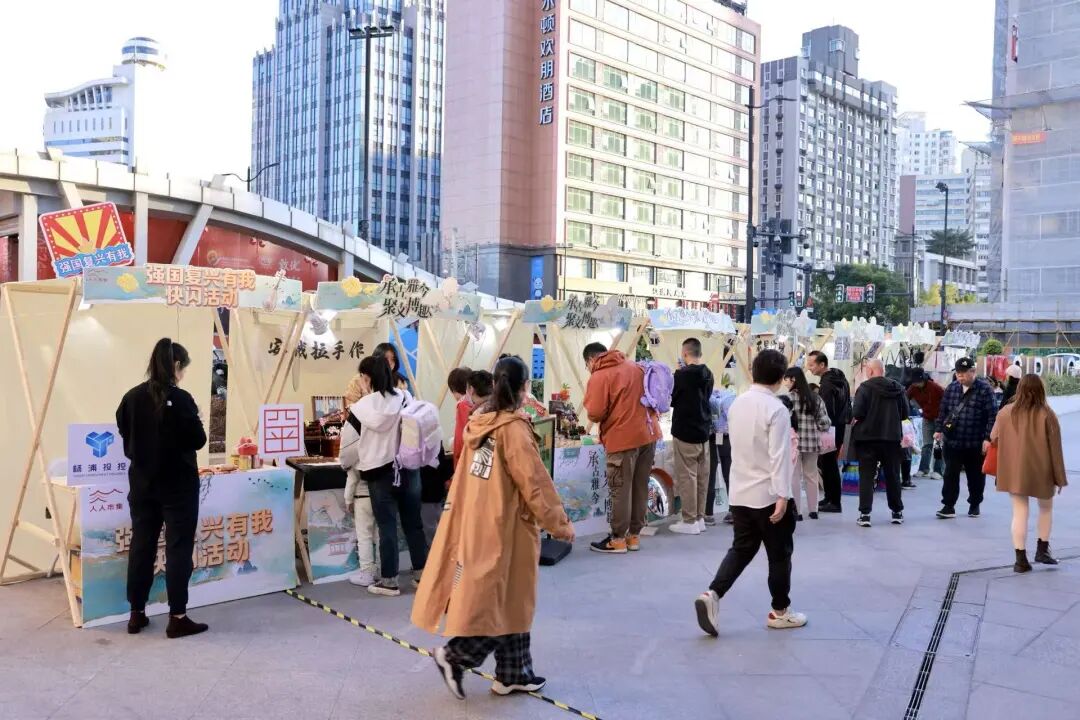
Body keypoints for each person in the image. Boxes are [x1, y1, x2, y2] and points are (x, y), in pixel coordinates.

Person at [414, 356, 574, 700]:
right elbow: (534, 483)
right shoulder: (512, 429)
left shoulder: (480, 424)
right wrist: (559, 524)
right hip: (507, 527)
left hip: (481, 520)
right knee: (498, 603)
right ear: (523, 387)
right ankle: (455, 656)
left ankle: (514, 673)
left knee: (512, 600)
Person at [694, 349, 805, 637]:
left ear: (753, 372)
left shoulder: (737, 404)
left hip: (740, 493)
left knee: (742, 549)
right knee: (779, 555)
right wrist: (783, 495)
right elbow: (779, 456)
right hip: (768, 495)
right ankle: (780, 611)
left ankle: (712, 594)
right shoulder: (776, 409)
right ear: (780, 378)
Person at [115, 338, 208, 638]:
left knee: (141, 545)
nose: (183, 374)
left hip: (142, 484)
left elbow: (124, 430)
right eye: (183, 368)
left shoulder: (131, 397)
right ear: (176, 365)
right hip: (178, 485)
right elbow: (198, 440)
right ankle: (177, 617)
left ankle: (136, 614)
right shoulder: (182, 400)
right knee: (178, 547)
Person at [351, 355, 428, 596]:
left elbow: (351, 441)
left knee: (386, 527)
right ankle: (421, 575)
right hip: (408, 468)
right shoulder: (405, 397)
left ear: (367, 378)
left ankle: (390, 581)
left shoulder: (362, 406)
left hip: (379, 471)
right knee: (413, 524)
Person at [583, 342, 662, 554]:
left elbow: (595, 413)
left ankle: (617, 538)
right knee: (640, 486)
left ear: (590, 360)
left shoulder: (600, 375)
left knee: (620, 489)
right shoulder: (636, 367)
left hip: (622, 438)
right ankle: (633, 536)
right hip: (649, 434)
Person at [989, 374, 1068, 572]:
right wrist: (1060, 478)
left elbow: (993, 437)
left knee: (1019, 512)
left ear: (1019, 389)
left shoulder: (1005, 412)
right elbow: (1056, 449)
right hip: (1042, 471)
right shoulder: (1047, 414)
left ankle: (1020, 560)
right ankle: (1042, 550)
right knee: (1045, 508)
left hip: (1015, 471)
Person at [934, 357, 998, 519]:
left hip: (975, 442)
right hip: (953, 441)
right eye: (958, 373)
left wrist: (987, 438)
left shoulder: (985, 389)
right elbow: (943, 411)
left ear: (973, 371)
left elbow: (992, 416)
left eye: (964, 373)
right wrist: (939, 429)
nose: (960, 376)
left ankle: (974, 504)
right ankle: (948, 505)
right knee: (950, 474)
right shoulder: (952, 388)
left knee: (975, 476)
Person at [850, 359, 908, 527]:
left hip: (867, 439)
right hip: (892, 438)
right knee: (893, 475)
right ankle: (897, 512)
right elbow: (905, 414)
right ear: (883, 370)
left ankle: (865, 515)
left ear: (870, 371)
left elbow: (857, 413)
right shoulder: (898, 389)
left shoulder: (864, 388)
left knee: (867, 477)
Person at [669, 338, 715, 535]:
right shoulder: (709, 374)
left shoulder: (680, 375)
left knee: (687, 477)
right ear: (699, 353)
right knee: (702, 477)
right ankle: (699, 518)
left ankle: (689, 520)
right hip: (704, 431)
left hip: (685, 430)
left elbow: (672, 399)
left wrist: (677, 373)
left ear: (685, 353)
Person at [340, 370, 379, 587]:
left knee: (364, 536)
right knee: (380, 534)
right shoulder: (382, 425)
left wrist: (347, 499)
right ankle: (383, 570)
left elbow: (351, 472)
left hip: (362, 496)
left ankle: (367, 572)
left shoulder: (355, 428)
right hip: (381, 490)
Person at [781, 367, 832, 521]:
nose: (784, 382)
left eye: (786, 379)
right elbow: (825, 423)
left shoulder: (787, 399)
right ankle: (813, 510)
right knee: (811, 476)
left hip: (793, 443)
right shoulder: (816, 398)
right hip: (812, 442)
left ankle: (797, 512)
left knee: (794, 477)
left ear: (793, 380)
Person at [806, 351, 851, 513]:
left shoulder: (827, 384)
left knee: (828, 464)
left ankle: (834, 502)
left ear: (822, 364)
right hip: (839, 426)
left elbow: (826, 410)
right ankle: (830, 498)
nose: (809, 368)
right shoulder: (840, 378)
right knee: (828, 463)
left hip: (830, 429)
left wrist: (820, 425)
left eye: (812, 364)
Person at [706, 384, 736, 525]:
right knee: (729, 474)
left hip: (711, 437)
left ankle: (708, 514)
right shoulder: (729, 396)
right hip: (725, 437)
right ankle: (733, 511)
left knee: (710, 475)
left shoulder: (707, 397)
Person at [907, 369, 945, 479]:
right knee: (926, 444)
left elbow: (947, 401)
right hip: (927, 418)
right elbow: (905, 397)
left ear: (923, 379)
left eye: (918, 382)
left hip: (940, 418)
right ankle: (923, 469)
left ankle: (938, 471)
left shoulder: (935, 387)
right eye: (914, 382)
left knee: (938, 445)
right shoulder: (913, 388)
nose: (916, 384)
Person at [448, 366, 473, 465]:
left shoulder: (462, 405)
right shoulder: (477, 401)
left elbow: (460, 436)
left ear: (454, 389)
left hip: (465, 457)